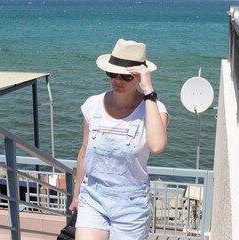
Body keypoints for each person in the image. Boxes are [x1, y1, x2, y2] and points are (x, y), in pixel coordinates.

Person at [68, 39, 169, 240]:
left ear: (140, 77)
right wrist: (77, 194)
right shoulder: (92, 105)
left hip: (131, 204)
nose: (118, 80)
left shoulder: (154, 110)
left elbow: (156, 146)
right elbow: (84, 152)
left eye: (126, 76)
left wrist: (149, 92)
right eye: (112, 73)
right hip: (93, 197)